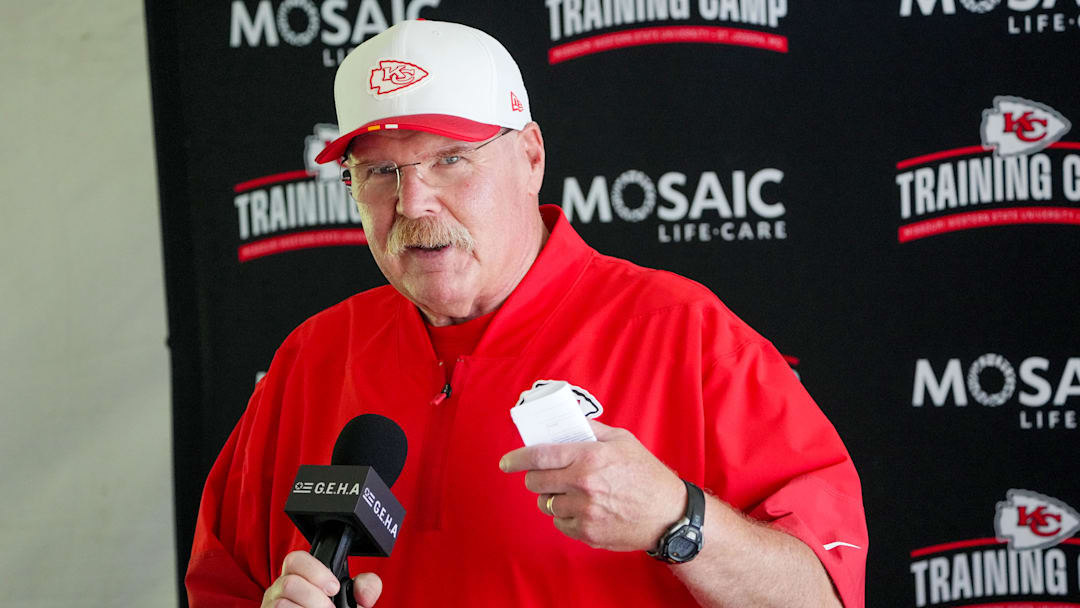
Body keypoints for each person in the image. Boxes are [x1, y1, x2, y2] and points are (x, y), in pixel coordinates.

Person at [186, 19, 868, 608]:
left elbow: (823, 594)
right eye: (380, 172)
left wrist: (677, 520)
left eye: (450, 160)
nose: (415, 202)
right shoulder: (313, 359)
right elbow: (223, 585)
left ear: (531, 155)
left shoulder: (683, 336)